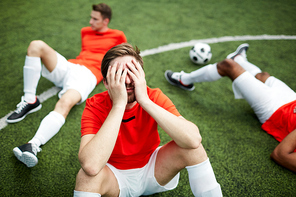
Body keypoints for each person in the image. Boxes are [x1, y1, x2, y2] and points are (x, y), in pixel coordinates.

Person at [73, 43, 223, 197]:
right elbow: (91, 165)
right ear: (106, 82)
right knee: (86, 178)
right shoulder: (95, 104)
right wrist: (119, 105)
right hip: (114, 177)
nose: (128, 80)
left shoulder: (153, 96)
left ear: (141, 75)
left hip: (154, 170)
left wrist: (145, 101)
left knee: (194, 149)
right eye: (119, 73)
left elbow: (193, 140)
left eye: (132, 71)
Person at [9, 3, 127, 168]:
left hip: (88, 75)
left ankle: (33, 145)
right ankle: (30, 100)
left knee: (64, 104)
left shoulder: (118, 35)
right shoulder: (85, 31)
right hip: (71, 67)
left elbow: (124, 57)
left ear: (105, 21)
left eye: (95, 19)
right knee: (36, 45)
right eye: (91, 17)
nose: (90, 21)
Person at [165, 43, 296, 173]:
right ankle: (238, 58)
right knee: (263, 76)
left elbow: (280, 155)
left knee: (228, 66)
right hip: (292, 101)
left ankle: (184, 80)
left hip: (277, 114)